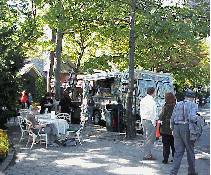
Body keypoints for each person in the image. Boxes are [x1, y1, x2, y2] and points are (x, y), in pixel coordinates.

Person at [170, 90, 198, 175]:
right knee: (190, 150)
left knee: (178, 152)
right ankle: (191, 171)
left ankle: (173, 172)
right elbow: (192, 118)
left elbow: (172, 118)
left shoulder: (177, 104)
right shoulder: (193, 105)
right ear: (192, 98)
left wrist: (172, 129)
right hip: (187, 127)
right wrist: (200, 119)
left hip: (177, 128)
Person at [140, 87, 157, 160]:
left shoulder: (143, 100)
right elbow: (152, 113)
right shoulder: (152, 101)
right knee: (150, 138)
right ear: (153, 92)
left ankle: (148, 153)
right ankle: (147, 155)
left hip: (144, 119)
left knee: (146, 137)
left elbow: (141, 110)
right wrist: (154, 123)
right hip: (150, 120)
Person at [159, 92, 175, 164]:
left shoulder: (165, 107)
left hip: (165, 128)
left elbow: (161, 117)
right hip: (174, 129)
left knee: (166, 145)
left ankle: (165, 159)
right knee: (174, 145)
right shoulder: (176, 107)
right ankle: (175, 159)